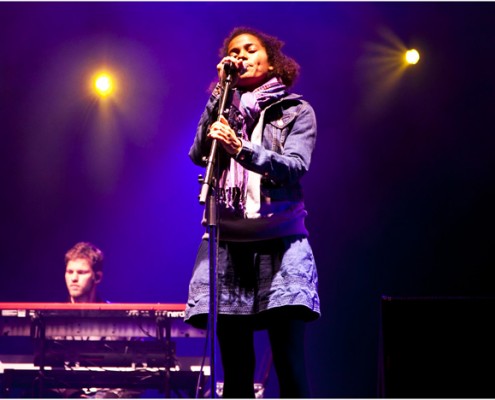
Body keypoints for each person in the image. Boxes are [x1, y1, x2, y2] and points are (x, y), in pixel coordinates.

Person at [185, 27, 321, 398]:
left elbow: (295, 165)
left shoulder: (296, 110)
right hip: (229, 245)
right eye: (233, 51)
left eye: (249, 49)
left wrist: (242, 149)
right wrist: (218, 95)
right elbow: (198, 153)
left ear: (271, 59)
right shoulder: (224, 106)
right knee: (236, 370)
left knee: (289, 364)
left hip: (281, 245)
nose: (240, 56)